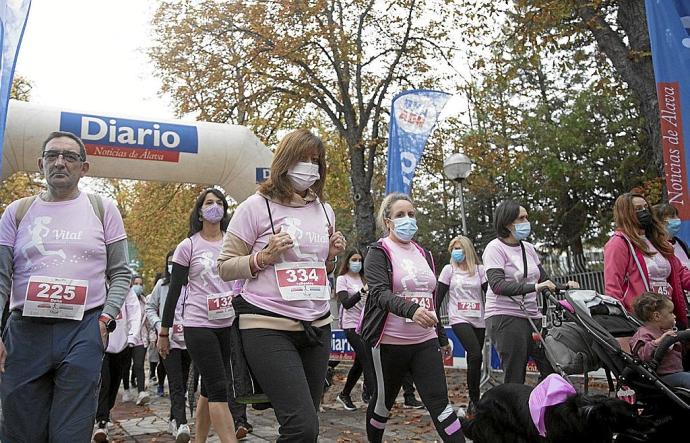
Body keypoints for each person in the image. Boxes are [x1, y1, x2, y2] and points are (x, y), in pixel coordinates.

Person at [0, 131, 132, 442]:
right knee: (20, 432)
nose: (60, 162)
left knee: (70, 433)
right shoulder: (16, 212)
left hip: (83, 330)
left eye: (70, 156)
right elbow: (1, 277)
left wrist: (105, 319)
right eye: (52, 155)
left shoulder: (103, 208)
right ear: (40, 163)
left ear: (84, 168)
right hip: (25, 332)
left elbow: (121, 274)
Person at [217, 129, 346, 442]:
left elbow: (322, 269)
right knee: (302, 428)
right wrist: (264, 256)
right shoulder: (255, 206)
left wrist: (331, 257)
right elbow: (224, 267)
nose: (311, 167)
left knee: (305, 425)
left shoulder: (324, 209)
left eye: (316, 160)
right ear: (285, 161)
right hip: (267, 325)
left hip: (317, 324)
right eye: (303, 159)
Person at [361, 193, 465, 443]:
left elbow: (432, 298)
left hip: (425, 342)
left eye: (411, 214)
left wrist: (441, 338)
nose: (407, 219)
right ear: (388, 221)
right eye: (400, 215)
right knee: (383, 404)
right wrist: (411, 310)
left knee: (440, 404)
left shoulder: (424, 253)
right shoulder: (378, 252)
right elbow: (378, 293)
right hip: (389, 343)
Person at [159, 188, 242, 443]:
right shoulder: (188, 246)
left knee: (207, 388)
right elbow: (173, 292)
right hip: (198, 324)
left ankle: (199, 440)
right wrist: (165, 332)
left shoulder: (233, 242)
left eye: (219, 202)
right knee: (219, 388)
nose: (214, 206)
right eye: (208, 202)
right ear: (200, 210)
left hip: (227, 323)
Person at [483, 199, 578, 384]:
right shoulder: (495, 248)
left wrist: (565, 287)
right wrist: (535, 288)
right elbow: (497, 286)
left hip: (532, 316)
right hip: (505, 317)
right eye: (522, 218)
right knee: (515, 374)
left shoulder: (528, 248)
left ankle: (547, 406)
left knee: (551, 368)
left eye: (527, 217)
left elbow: (544, 280)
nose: (527, 222)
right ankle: (514, 410)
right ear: (508, 223)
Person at [604, 193, 689, 328]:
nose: (644, 212)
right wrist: (623, 321)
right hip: (641, 321)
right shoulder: (619, 243)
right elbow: (613, 286)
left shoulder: (659, 241)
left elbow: (681, 274)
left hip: (668, 316)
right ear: (626, 213)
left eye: (646, 207)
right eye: (637, 209)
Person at [436, 235, 487, 410]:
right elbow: (437, 299)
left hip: (479, 319)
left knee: (474, 358)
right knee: (475, 354)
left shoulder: (480, 270)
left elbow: (492, 294)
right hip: (459, 317)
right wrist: (437, 326)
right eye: (454, 249)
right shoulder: (448, 270)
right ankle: (474, 400)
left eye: (460, 248)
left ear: (468, 250)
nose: (457, 252)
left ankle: (474, 397)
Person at [146, 251, 193, 441]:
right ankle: (182, 424)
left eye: (177, 262)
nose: (173, 265)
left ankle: (174, 418)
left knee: (183, 382)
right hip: (168, 341)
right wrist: (159, 326)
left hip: (189, 341)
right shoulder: (162, 285)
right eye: (170, 263)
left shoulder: (193, 285)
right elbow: (150, 308)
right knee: (175, 384)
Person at [93, 288, 142, 442]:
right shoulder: (98, 285)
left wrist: (132, 336)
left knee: (115, 383)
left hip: (122, 345)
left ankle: (105, 413)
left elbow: (134, 312)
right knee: (104, 383)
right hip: (101, 345)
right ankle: (101, 422)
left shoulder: (125, 290)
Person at [334, 249, 374, 411]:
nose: (357, 263)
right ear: (348, 261)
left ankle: (344, 394)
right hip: (350, 325)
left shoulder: (365, 279)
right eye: (354, 259)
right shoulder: (342, 279)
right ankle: (373, 399)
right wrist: (363, 291)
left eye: (360, 260)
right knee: (368, 361)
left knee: (360, 363)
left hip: (366, 325)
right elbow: (346, 303)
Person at [630, 292, 690, 388]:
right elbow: (642, 355)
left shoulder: (667, 330)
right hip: (660, 377)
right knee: (687, 378)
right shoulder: (643, 333)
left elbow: (679, 351)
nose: (674, 316)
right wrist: (659, 341)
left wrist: (685, 338)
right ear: (657, 316)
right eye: (671, 312)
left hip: (677, 372)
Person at [127, 275, 151, 406]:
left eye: (140, 284)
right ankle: (126, 388)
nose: (138, 286)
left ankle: (141, 391)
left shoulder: (144, 302)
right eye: (135, 283)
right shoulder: (125, 300)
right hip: (126, 339)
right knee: (125, 367)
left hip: (141, 339)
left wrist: (151, 337)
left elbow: (147, 322)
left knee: (139, 365)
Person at [652, 203, 690, 268]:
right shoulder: (653, 246)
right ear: (658, 221)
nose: (677, 219)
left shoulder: (681, 243)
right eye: (672, 217)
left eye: (677, 216)